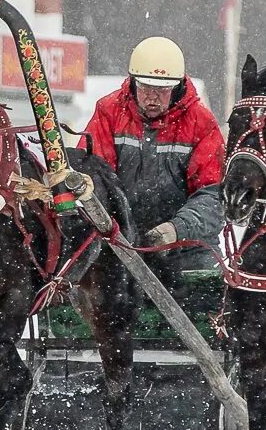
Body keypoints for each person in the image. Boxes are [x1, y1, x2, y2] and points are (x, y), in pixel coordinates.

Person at [82, 36, 224, 272]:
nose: (152, 97)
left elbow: (214, 195)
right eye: (145, 87)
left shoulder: (202, 123)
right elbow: (92, 175)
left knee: (207, 293)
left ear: (177, 87)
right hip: (119, 244)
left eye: (162, 90)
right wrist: (117, 229)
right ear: (133, 82)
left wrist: (176, 229)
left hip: (187, 249)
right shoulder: (108, 112)